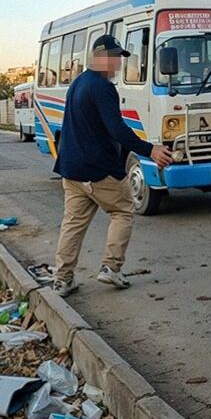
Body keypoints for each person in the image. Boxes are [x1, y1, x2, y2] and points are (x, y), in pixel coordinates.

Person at [52, 35, 174, 296]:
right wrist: (150, 150)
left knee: (73, 224)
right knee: (123, 211)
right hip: (98, 170)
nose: (119, 63)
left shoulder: (78, 83)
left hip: (72, 170)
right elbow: (117, 130)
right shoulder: (102, 87)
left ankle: (62, 279)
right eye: (116, 57)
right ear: (101, 57)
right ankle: (111, 267)